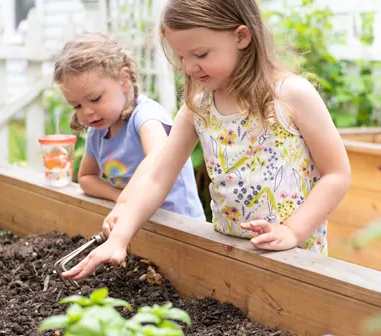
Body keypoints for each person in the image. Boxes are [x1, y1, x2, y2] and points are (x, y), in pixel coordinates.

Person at [61, 0, 351, 281]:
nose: (188, 68)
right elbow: (158, 176)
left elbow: (336, 174)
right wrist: (120, 238)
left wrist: (293, 231)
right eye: (181, 57)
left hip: (296, 259)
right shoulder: (198, 106)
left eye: (200, 55)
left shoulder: (290, 95)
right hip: (228, 254)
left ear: (241, 36)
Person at [53, 32, 205, 223]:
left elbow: (157, 156)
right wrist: (119, 197)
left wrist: (126, 201)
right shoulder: (97, 131)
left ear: (124, 80)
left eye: (95, 99)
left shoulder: (145, 116)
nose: (87, 112)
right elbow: (86, 178)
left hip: (179, 224)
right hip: (137, 223)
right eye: (77, 106)